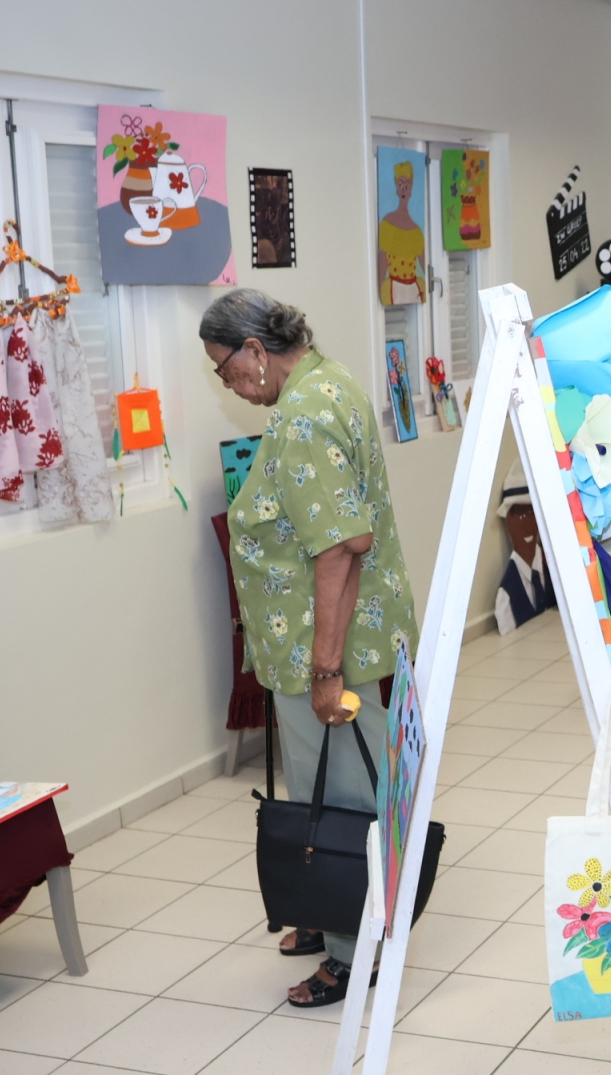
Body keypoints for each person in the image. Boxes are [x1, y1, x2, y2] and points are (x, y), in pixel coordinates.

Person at [200, 289, 420, 1009]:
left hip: (326, 649)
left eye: (227, 368)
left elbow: (340, 547)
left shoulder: (301, 415)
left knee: (345, 802)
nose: (229, 383)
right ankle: (334, 915)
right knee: (332, 791)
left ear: (256, 349)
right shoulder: (331, 380)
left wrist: (326, 669)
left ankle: (356, 955)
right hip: (340, 639)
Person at [378, 160, 426, 305]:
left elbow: (425, 265)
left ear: (411, 189)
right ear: (396, 189)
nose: (404, 190)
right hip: (394, 287)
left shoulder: (417, 232)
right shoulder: (387, 224)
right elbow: (382, 263)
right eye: (400, 184)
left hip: (413, 287)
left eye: (407, 185)